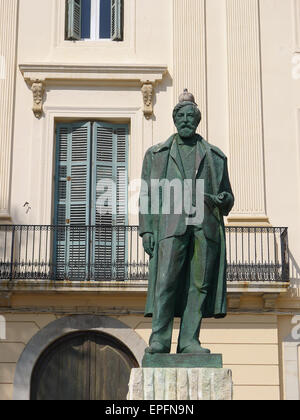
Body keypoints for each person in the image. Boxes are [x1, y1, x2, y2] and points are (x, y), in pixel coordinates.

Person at [139, 90, 234, 355]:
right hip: (170, 223)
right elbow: (146, 193)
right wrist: (147, 229)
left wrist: (226, 198)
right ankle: (159, 339)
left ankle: (189, 340)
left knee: (200, 284)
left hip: (205, 224)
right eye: (181, 116)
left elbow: (227, 197)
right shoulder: (157, 154)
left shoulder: (215, 156)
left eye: (190, 116)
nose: (185, 121)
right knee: (166, 280)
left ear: (198, 120)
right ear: (174, 119)